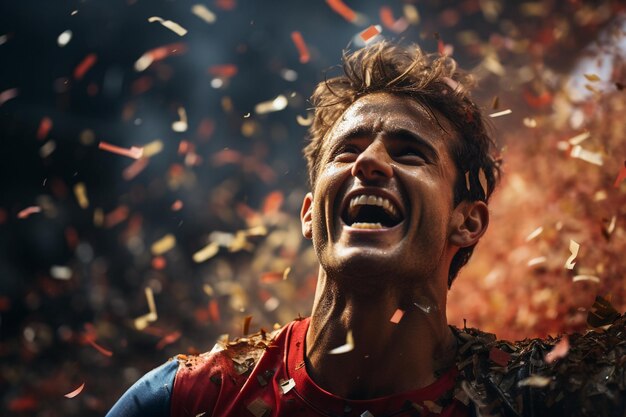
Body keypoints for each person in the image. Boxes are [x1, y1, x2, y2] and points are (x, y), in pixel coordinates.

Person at [106, 41, 625, 417]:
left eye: (410, 153)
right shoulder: (188, 400)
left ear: (467, 222)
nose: (370, 163)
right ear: (310, 213)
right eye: (348, 151)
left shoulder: (543, 394)